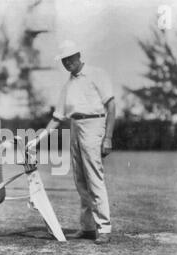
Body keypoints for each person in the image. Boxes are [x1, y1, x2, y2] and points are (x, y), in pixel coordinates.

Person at [27, 40, 116, 244]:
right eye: (64, 60)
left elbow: (111, 106)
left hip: (94, 125)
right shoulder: (67, 85)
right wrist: (38, 139)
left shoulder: (97, 74)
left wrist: (108, 137)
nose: (68, 63)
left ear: (78, 56)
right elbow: (57, 117)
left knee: (94, 177)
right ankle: (87, 227)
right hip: (75, 127)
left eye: (70, 58)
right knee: (80, 180)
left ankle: (104, 227)